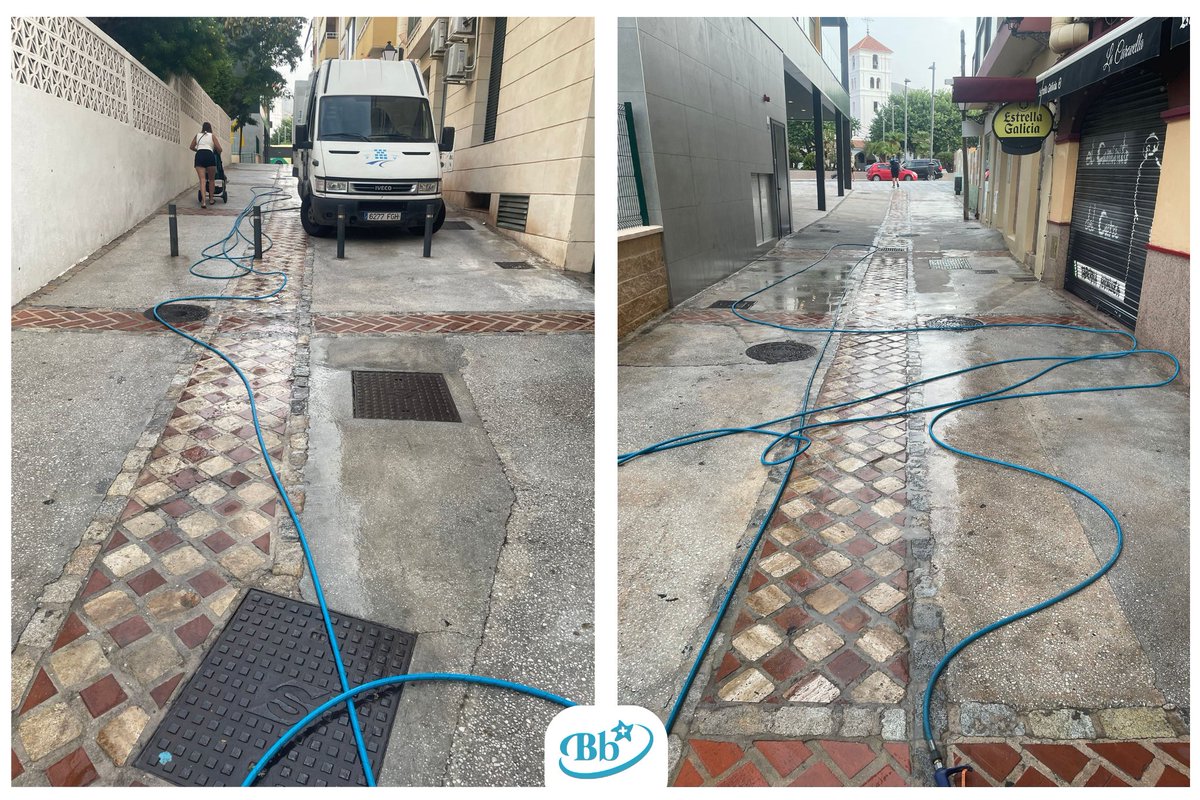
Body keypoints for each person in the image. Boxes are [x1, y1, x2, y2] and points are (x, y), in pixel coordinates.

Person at [190, 122, 223, 208]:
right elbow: (220, 149)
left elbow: (191, 147)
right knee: (211, 179)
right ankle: (211, 199)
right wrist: (215, 150)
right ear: (210, 128)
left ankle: (203, 202)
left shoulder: (197, 135)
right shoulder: (212, 136)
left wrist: (198, 150)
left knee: (202, 180)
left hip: (199, 155)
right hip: (209, 155)